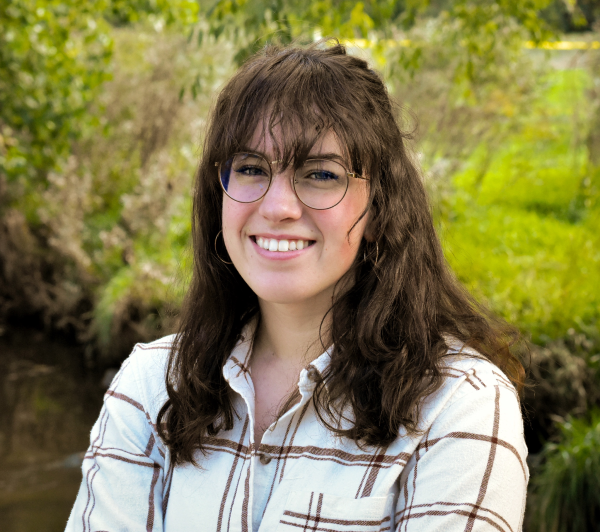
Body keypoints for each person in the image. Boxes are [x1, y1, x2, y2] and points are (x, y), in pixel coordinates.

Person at [66, 41, 528, 532]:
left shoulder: (459, 405)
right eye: (250, 168)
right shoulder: (151, 386)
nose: (279, 206)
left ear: (378, 210)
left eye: (320, 174)